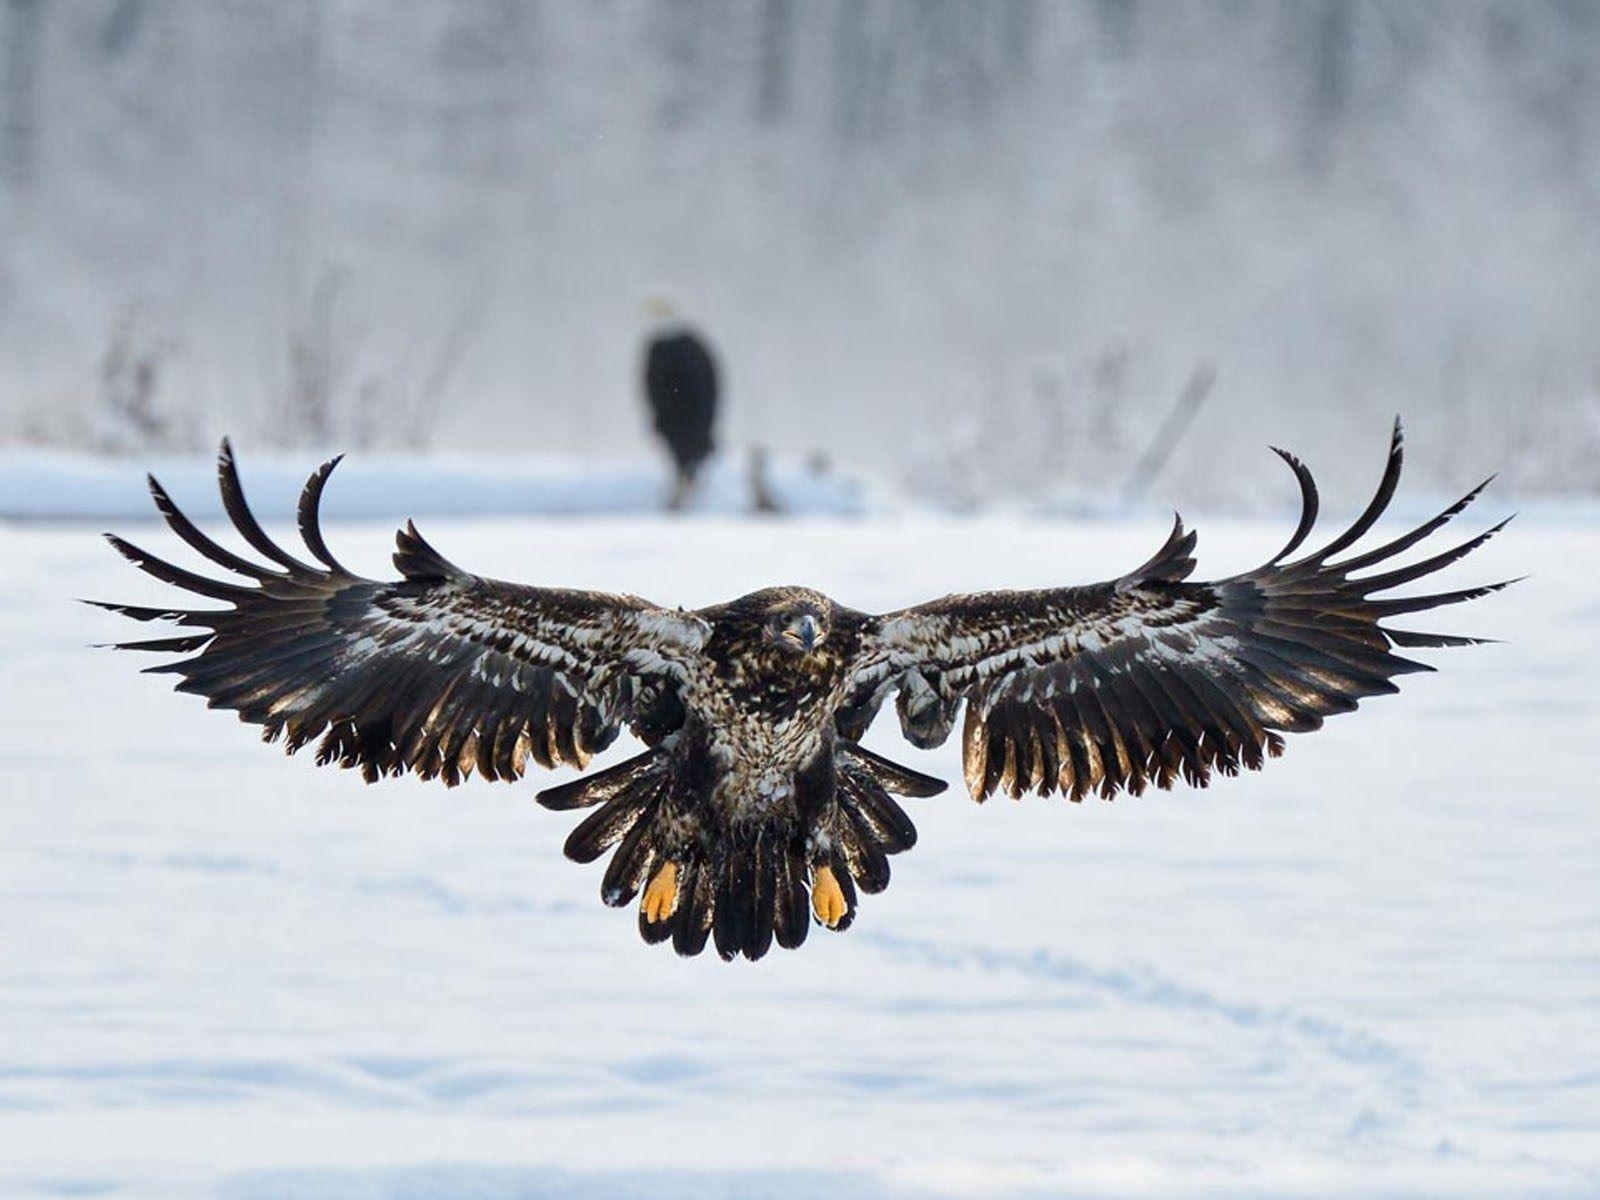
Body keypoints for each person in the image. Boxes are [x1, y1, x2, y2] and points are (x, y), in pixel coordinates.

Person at [641, 294, 719, 510]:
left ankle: (687, 501)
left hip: (688, 426)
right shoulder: (669, 348)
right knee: (685, 465)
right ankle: (682, 500)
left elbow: (704, 391)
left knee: (692, 466)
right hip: (679, 426)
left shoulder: (686, 349)